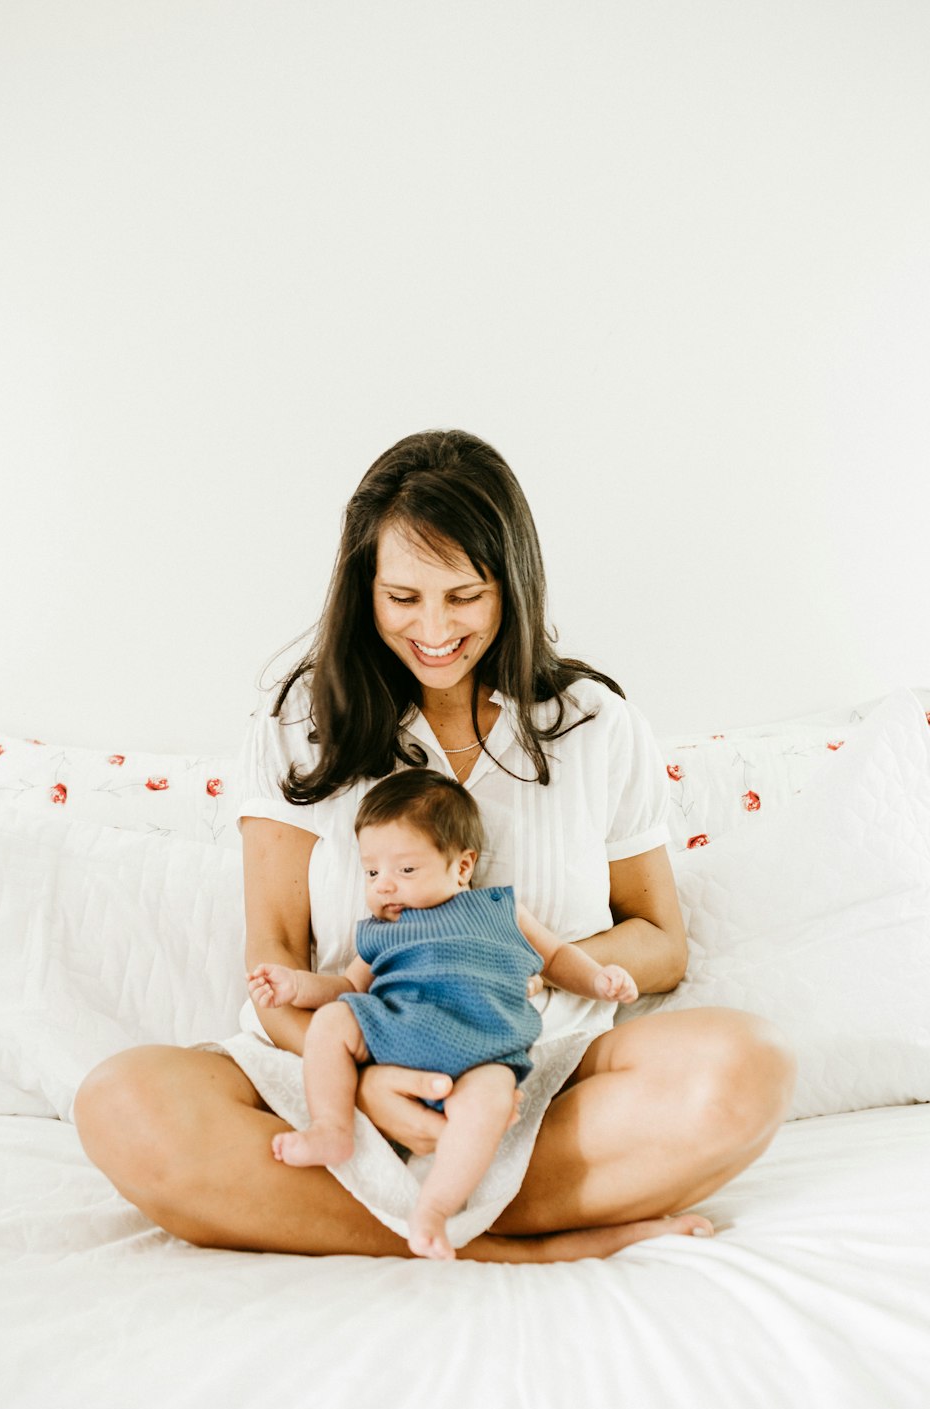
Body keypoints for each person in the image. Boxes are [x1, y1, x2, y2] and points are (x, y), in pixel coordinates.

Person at [74, 428, 796, 1263]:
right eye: (404, 598)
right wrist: (361, 1081)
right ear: (364, 590)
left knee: (750, 1065)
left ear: (511, 587)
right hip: (351, 1067)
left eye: (465, 596)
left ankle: (422, 1216)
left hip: (539, 1074)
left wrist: (530, 965)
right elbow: (271, 959)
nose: (436, 629)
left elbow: (660, 942)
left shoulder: (595, 724)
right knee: (121, 1102)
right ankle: (522, 1242)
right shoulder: (302, 718)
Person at [250, 768, 640, 1259]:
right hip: (395, 1031)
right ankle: (331, 1127)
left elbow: (557, 958)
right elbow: (346, 988)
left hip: (482, 1048)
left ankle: (435, 1209)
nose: (385, 886)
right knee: (333, 1021)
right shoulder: (379, 932)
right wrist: (295, 985)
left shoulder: (499, 909)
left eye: (405, 870)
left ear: (462, 867)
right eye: (372, 872)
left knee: (493, 1100)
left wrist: (600, 979)